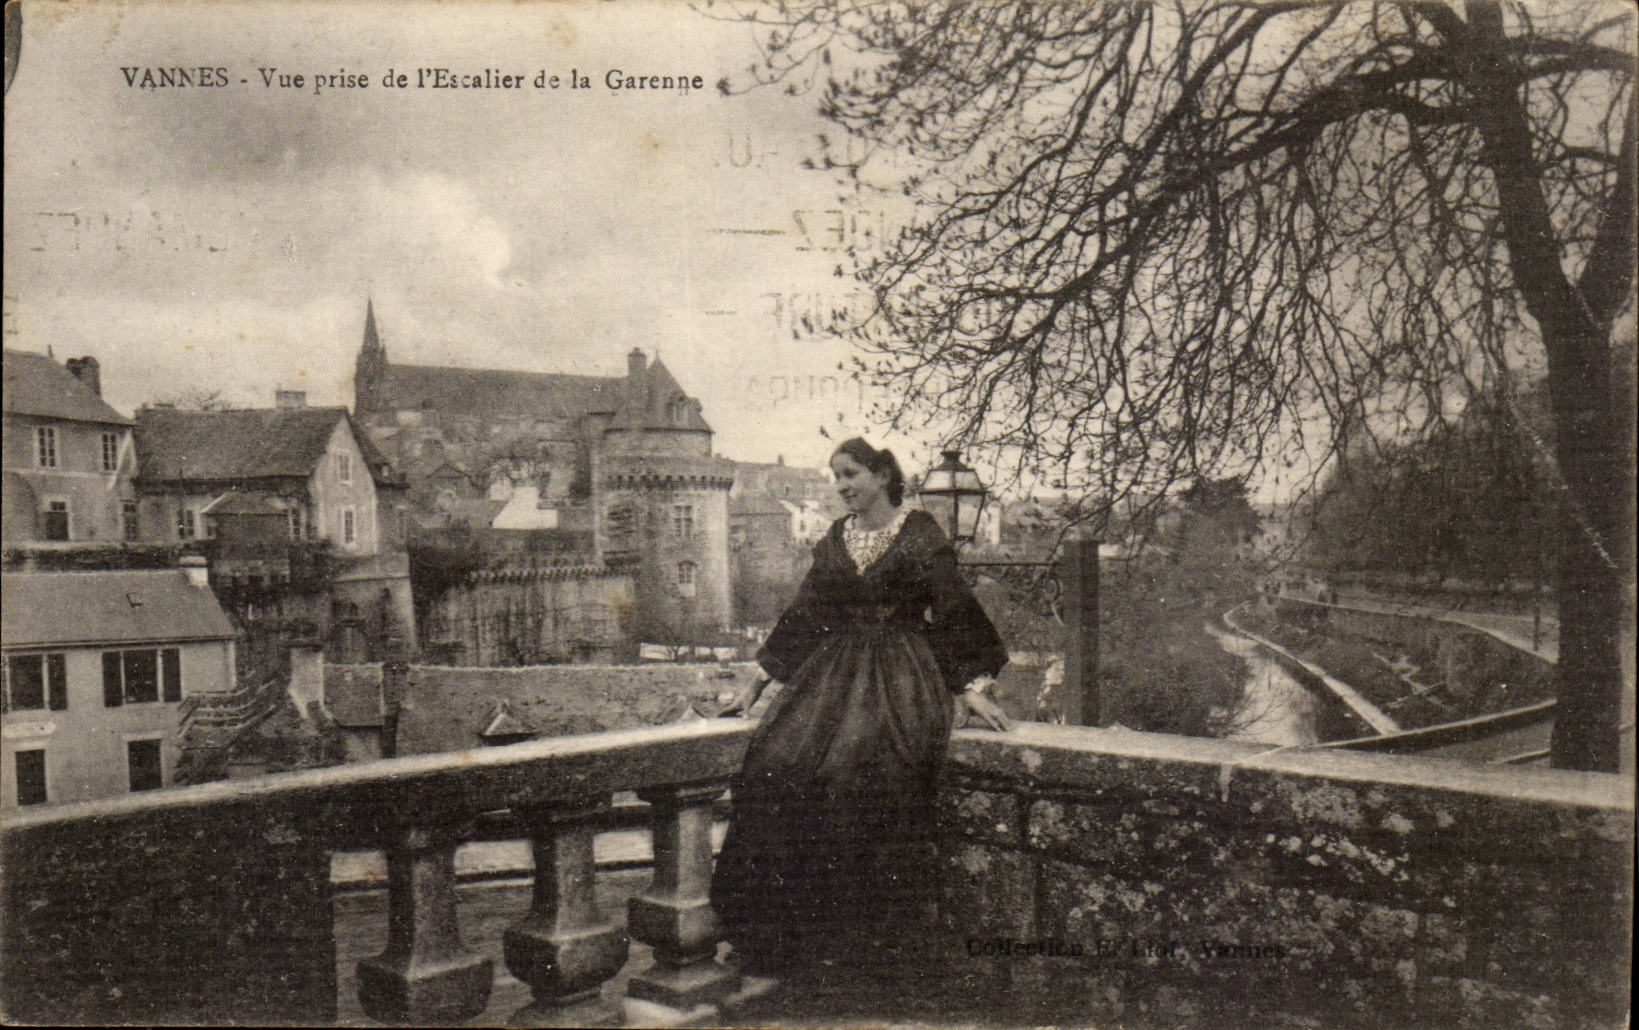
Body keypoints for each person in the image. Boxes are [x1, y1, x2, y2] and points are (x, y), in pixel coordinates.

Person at [710, 437, 1011, 975]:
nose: (843, 487)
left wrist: (970, 685)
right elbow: (805, 613)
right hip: (835, 674)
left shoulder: (920, 533)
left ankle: (864, 945)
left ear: (881, 475)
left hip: (901, 674)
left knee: (858, 774)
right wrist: (756, 685)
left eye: (851, 474)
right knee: (774, 764)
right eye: (837, 477)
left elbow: (953, 606)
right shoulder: (837, 538)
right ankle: (785, 938)